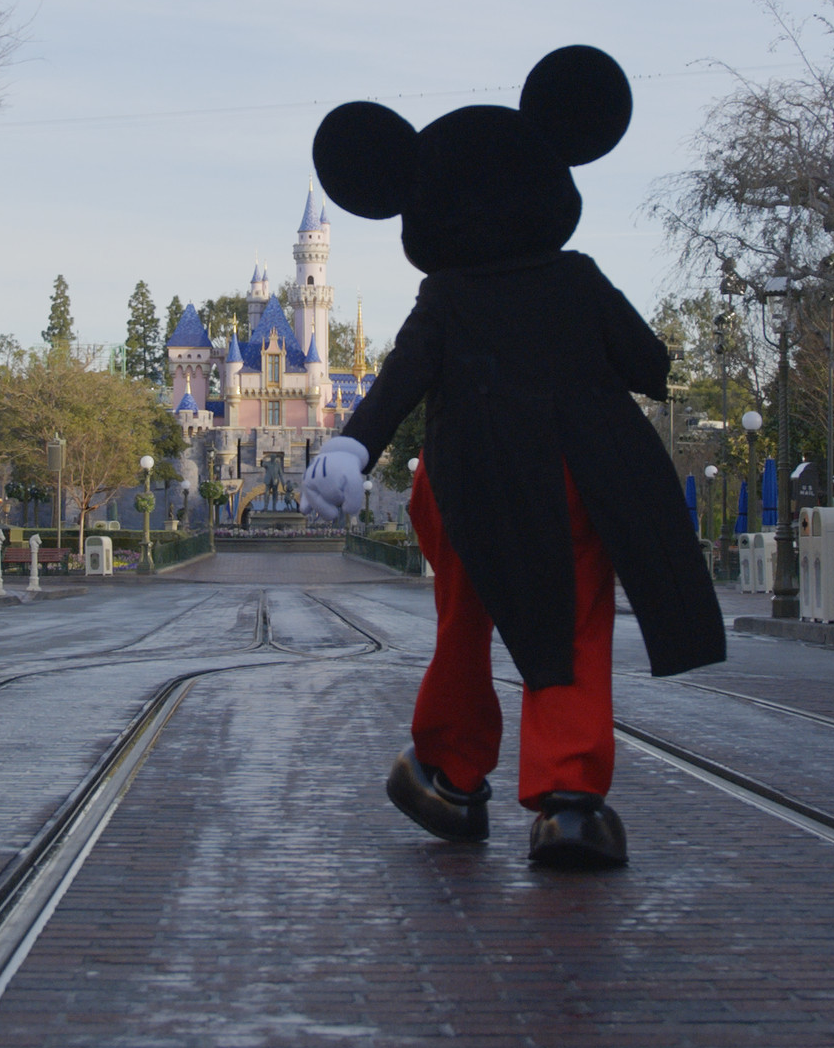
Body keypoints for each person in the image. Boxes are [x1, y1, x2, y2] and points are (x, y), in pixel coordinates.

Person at [299, 45, 725, 869]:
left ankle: (448, 778)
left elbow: (401, 376)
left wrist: (353, 444)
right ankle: (566, 800)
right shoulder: (577, 278)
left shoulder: (446, 296)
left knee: (465, 622)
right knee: (570, 626)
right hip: (576, 474)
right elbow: (648, 361)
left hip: (472, 481)